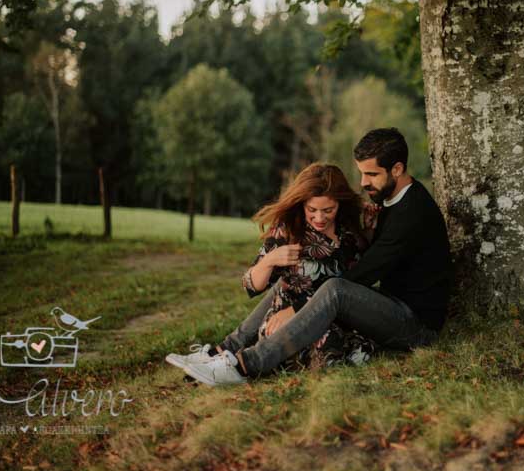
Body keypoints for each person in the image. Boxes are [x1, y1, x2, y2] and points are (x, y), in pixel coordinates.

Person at [175, 127, 453, 385]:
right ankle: (222, 351)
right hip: (390, 305)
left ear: (397, 169)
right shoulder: (390, 199)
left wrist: (296, 310)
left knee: (336, 290)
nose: (363, 182)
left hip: (415, 325)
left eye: (371, 175)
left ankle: (243, 366)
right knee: (291, 281)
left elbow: (364, 274)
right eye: (361, 173)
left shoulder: (413, 212)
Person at [165, 163, 376, 381]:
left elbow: (359, 273)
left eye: (328, 210)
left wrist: (368, 232)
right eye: (312, 210)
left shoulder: (350, 227)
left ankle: (225, 360)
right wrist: (269, 261)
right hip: (286, 318)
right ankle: (226, 363)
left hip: (337, 315)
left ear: (339, 204)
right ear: (302, 203)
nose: (320, 218)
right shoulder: (290, 228)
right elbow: (250, 285)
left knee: (347, 347)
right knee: (318, 343)